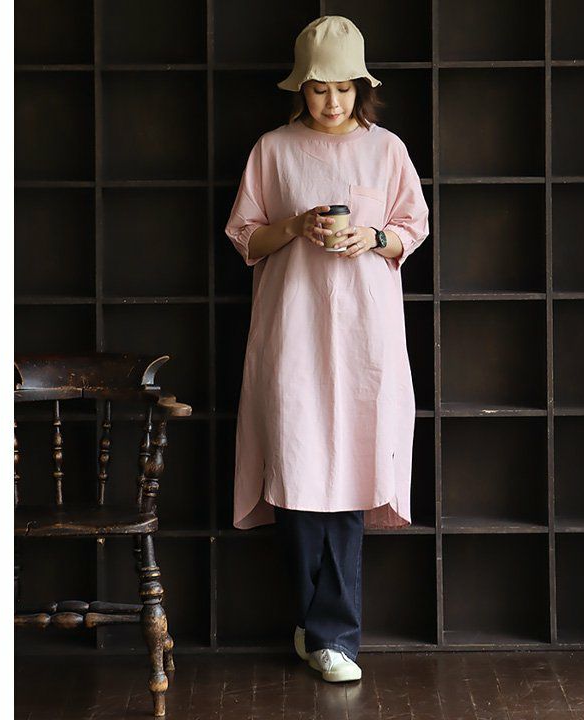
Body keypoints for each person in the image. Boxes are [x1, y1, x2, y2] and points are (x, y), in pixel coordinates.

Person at [224, 15, 430, 683]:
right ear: (300, 89)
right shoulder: (273, 150)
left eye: (343, 88)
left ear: (361, 88)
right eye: (319, 89)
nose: (332, 101)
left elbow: (412, 227)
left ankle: (331, 635)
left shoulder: (387, 150)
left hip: (366, 338)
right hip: (292, 332)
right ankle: (318, 625)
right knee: (296, 470)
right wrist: (294, 225)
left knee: (348, 479)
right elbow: (245, 237)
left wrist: (373, 237)